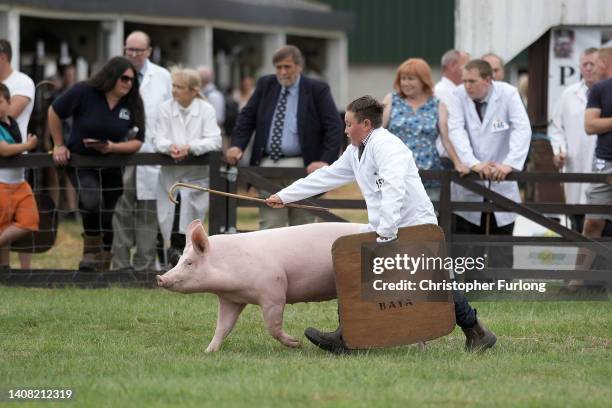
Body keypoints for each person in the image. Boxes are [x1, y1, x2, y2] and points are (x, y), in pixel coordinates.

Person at [266, 95, 497, 354]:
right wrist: (284, 196)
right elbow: (327, 176)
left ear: (365, 124)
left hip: (414, 226)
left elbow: (393, 188)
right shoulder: (356, 151)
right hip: (386, 228)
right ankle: (347, 336)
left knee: (432, 285)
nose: (345, 130)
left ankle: (478, 332)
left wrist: (386, 232)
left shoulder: (388, 146)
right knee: (352, 270)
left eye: (348, 124)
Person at [226, 45, 344, 230]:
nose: (282, 72)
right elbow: (247, 117)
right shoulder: (266, 84)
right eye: (278, 67)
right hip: (268, 166)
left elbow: (334, 126)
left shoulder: (316, 89)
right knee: (270, 225)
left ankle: (303, 260)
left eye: (287, 67)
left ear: (299, 67)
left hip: (303, 166)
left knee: (303, 225)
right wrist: (237, 146)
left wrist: (324, 161)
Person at [49, 56, 145, 271]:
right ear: (111, 76)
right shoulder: (84, 91)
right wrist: (58, 144)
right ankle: (90, 252)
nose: (129, 84)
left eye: (132, 80)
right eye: (124, 79)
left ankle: (103, 262)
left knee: (109, 212)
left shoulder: (133, 101)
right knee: (90, 200)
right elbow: (55, 111)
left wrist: (112, 148)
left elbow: (139, 140)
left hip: (113, 163)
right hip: (82, 160)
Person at [447, 59, 531, 267]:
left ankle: (501, 288)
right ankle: (470, 287)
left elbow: (522, 128)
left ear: (488, 80)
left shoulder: (508, 93)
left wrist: (509, 164)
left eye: (472, 81)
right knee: (468, 236)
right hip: (470, 177)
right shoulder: (457, 95)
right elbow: (456, 130)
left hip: (502, 176)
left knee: (501, 236)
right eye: (464, 81)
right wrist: (474, 163)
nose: (467, 86)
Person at [111, 31, 172, 272]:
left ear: (149, 51)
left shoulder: (162, 77)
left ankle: (145, 266)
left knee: (148, 212)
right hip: (121, 153)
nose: (134, 54)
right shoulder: (115, 73)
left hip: (152, 155)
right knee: (121, 211)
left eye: (139, 50)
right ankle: (120, 266)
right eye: (129, 50)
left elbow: (168, 113)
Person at [153, 68, 222, 267]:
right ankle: (171, 257)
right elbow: (158, 138)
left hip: (196, 177)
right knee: (168, 217)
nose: (174, 90)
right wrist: (170, 147)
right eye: (173, 86)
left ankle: (182, 258)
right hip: (170, 175)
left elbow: (214, 140)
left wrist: (191, 148)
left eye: (180, 87)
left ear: (193, 90)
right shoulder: (165, 108)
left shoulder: (206, 109)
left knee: (189, 220)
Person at [382, 58, 469, 201]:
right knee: (394, 219)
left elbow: (446, 140)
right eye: (403, 78)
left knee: (428, 220)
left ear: (423, 80)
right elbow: (377, 133)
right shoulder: (391, 100)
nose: (405, 83)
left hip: (430, 176)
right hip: (395, 174)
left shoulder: (438, 105)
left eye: (411, 79)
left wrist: (458, 163)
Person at [548, 48, 599, 232]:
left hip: (602, 166)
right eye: (584, 64)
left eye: (592, 64)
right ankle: (582, 260)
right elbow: (556, 127)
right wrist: (559, 151)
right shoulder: (568, 95)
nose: (588, 68)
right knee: (577, 219)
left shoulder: (607, 92)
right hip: (574, 164)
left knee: (600, 219)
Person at [0, 39, 37, 269]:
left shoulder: (22, 82)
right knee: (3, 222)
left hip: (17, 167)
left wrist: (28, 146)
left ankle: (26, 273)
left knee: (27, 221)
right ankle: (5, 271)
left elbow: (12, 113)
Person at [580, 46, 612, 290]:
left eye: (598, 63)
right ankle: (575, 281)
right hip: (605, 164)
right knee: (592, 223)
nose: (595, 68)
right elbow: (590, 125)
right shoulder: (600, 89)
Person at [433, 49, 470, 168]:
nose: (470, 71)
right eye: (467, 66)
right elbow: (453, 130)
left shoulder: (455, 91)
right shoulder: (442, 92)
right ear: (453, 66)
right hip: (448, 161)